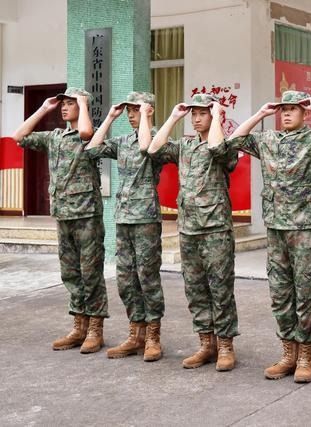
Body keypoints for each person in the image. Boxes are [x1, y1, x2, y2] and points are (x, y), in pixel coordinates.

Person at [209, 90, 311, 383]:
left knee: (305, 294)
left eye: (293, 109)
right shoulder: (267, 139)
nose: (287, 113)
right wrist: (260, 114)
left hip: (305, 229)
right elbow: (231, 142)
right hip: (276, 228)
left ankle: (305, 356)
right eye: (283, 109)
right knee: (280, 294)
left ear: (303, 113)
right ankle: (288, 353)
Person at [9, 87, 107, 354]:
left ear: (82, 106)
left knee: (90, 272)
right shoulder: (54, 137)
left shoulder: (91, 134)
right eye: (62, 103)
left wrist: (83, 104)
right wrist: (44, 109)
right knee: (70, 272)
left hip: (86, 214)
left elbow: (86, 133)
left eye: (70, 103)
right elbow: (19, 136)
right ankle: (79, 326)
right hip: (63, 213)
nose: (64, 107)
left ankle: (95, 329)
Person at [146, 94, 240, 371]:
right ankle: (206, 343)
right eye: (194, 114)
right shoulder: (184, 145)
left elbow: (218, 149)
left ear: (212, 115)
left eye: (202, 113)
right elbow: (153, 149)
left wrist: (218, 114)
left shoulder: (225, 144)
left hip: (216, 228)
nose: (196, 119)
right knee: (195, 288)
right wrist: (174, 117)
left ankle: (225, 345)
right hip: (188, 228)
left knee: (220, 288)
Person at [85, 92, 165, 362]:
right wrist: (109, 118)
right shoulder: (122, 141)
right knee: (126, 279)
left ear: (148, 110)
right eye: (128, 110)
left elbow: (145, 148)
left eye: (135, 110)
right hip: (123, 217)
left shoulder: (157, 138)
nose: (130, 115)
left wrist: (145, 117)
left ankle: (153, 336)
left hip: (146, 218)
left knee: (147, 278)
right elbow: (92, 149)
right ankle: (135, 333)